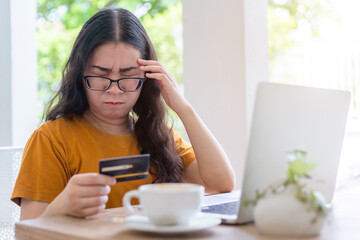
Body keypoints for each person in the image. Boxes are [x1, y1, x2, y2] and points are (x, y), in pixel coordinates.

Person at [11, 8, 235, 220]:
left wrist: (183, 107)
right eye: (101, 74)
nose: (115, 89)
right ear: (81, 76)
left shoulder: (158, 136)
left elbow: (221, 184)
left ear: (147, 78)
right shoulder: (51, 140)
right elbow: (28, 231)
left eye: (128, 75)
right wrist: (63, 206)